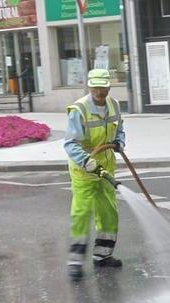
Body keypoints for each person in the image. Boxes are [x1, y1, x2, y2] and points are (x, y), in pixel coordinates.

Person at [63, 68, 126, 279]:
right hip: (83, 170)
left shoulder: (114, 105)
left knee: (108, 212)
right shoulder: (79, 109)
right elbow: (70, 144)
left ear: (109, 86)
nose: (99, 91)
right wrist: (87, 161)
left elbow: (120, 129)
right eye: (95, 87)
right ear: (90, 86)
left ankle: (103, 256)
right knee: (81, 214)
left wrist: (119, 142)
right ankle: (75, 263)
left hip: (106, 168)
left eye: (103, 86)